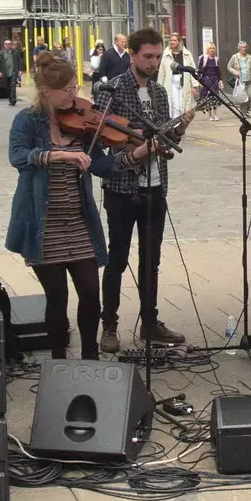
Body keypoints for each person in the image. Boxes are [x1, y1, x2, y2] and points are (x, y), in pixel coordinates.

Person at [6, 54, 121, 360]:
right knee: (57, 298)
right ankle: (58, 360)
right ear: (47, 91)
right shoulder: (27, 121)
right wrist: (59, 156)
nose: (75, 96)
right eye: (68, 90)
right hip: (43, 226)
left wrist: (135, 154)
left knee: (90, 296)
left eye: (76, 88)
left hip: (79, 223)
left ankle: (90, 358)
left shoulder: (81, 124)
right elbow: (18, 157)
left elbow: (100, 165)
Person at [93, 28, 192, 352]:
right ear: (132, 55)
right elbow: (105, 140)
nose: (152, 62)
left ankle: (150, 322)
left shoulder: (161, 93)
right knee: (117, 257)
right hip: (122, 187)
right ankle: (109, 324)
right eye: (147, 56)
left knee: (151, 259)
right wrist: (137, 143)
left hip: (155, 186)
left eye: (157, 57)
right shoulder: (113, 90)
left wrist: (178, 130)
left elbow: (165, 142)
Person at [159, 34, 197, 120]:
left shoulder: (187, 54)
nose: (172, 42)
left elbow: (192, 69)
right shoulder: (166, 54)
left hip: (184, 81)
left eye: (174, 40)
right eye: (171, 40)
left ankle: (181, 126)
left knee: (183, 106)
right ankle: (175, 126)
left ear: (179, 42)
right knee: (174, 105)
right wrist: (159, 85)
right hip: (171, 81)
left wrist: (194, 85)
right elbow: (162, 72)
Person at [227, 41, 251, 114]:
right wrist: (235, 72)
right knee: (242, 97)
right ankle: (244, 112)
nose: (244, 49)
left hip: (249, 80)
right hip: (240, 80)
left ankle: (246, 108)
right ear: (239, 48)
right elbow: (229, 67)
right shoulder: (235, 57)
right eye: (242, 47)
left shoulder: (249, 57)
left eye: (245, 47)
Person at [197, 43, 222, 119]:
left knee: (215, 97)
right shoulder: (204, 58)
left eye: (213, 48)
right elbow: (199, 70)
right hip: (206, 80)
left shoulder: (216, 59)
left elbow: (218, 71)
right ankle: (210, 115)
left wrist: (220, 80)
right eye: (210, 48)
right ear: (207, 50)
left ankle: (215, 113)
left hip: (214, 80)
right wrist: (200, 81)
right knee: (207, 98)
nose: (212, 50)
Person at [0, 38, 21, 107]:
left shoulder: (15, 52)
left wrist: (19, 70)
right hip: (5, 72)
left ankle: (13, 100)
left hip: (14, 71)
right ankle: (10, 98)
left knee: (13, 85)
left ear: (11, 45)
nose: (7, 45)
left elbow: (19, 61)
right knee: (8, 86)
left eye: (9, 44)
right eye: (6, 44)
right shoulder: (1, 53)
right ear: (4, 45)